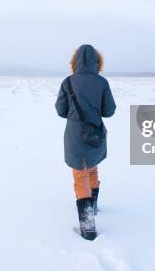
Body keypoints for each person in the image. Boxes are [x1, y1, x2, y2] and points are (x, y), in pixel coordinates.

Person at [55, 44, 116, 240]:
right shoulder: (102, 83)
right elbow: (109, 111)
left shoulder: (68, 82)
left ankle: (88, 229)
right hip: (96, 135)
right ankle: (93, 206)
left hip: (75, 136)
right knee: (92, 168)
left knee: (80, 176)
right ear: (97, 62)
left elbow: (60, 110)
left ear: (75, 61)